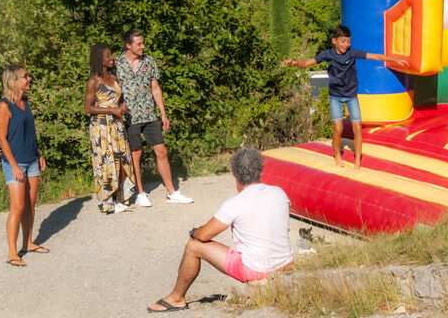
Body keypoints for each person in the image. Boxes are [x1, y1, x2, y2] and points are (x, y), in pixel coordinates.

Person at [147, 147, 293, 313]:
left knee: (193, 246)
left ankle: (176, 298)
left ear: (233, 173)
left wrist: (194, 232)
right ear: (261, 169)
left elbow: (203, 235)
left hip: (256, 269)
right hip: (286, 263)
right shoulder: (279, 193)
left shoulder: (235, 203)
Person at [283, 24, 406, 169]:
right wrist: (294, 63)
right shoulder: (327, 54)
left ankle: (358, 161)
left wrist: (394, 60)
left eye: (348, 41)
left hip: (351, 95)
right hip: (335, 95)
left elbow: (376, 56)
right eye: (343, 41)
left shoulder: (352, 53)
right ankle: (337, 155)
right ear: (334, 41)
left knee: (357, 127)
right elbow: (306, 64)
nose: (346, 45)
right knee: (338, 128)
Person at [117, 30, 193, 205]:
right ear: (128, 45)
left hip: (149, 114)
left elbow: (156, 88)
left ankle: (171, 192)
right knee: (135, 154)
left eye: (143, 43)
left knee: (162, 151)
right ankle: (140, 193)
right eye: (139, 44)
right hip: (129, 117)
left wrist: (163, 113)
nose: (143, 46)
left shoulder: (149, 61)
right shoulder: (117, 64)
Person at [0, 65, 48, 266]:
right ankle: (11, 252)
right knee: (17, 206)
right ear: (14, 80)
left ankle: (28, 243)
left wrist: (39, 153)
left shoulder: (25, 102)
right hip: (14, 163)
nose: (29, 78)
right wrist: (15, 165)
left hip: (32, 159)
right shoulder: (4, 106)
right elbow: (2, 138)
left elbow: (30, 133)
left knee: (31, 203)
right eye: (25, 76)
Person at [85, 42, 136, 214]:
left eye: (111, 54)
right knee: (106, 162)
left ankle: (118, 198)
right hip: (102, 128)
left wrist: (122, 108)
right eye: (107, 56)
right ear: (99, 59)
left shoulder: (114, 78)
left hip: (117, 124)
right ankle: (106, 202)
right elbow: (87, 108)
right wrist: (111, 110)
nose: (111, 58)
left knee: (122, 159)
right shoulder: (94, 81)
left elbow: (117, 100)